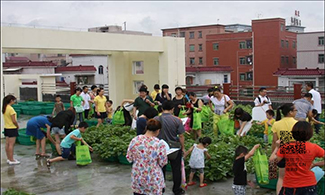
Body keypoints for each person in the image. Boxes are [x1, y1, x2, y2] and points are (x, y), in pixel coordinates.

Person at [270, 121, 324, 195]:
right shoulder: (314, 147)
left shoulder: (287, 147)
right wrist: (315, 164)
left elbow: (272, 161)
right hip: (308, 184)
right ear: (310, 133)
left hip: (290, 184)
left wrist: (277, 147)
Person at [126, 119, 167, 195]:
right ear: (158, 130)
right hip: (153, 177)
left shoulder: (135, 140)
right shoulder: (159, 143)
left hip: (138, 175)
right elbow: (163, 162)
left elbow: (129, 157)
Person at [154, 100, 186, 195]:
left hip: (160, 148)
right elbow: (181, 135)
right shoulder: (177, 120)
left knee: (160, 169)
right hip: (174, 148)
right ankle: (177, 190)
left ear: (162, 108)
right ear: (173, 109)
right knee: (176, 169)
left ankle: (161, 189)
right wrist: (183, 148)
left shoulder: (156, 119)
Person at [271, 103, 297, 195]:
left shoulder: (276, 124)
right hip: (295, 153)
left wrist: (273, 153)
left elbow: (274, 141)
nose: (296, 112)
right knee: (294, 176)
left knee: (281, 177)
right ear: (290, 112)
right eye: (295, 110)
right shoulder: (297, 124)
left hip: (281, 153)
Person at [2, 95, 20, 165]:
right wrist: (17, 126)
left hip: (6, 127)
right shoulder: (11, 109)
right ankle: (12, 159)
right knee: (11, 145)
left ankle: (9, 158)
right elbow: (14, 121)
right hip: (12, 128)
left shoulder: (5, 108)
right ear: (11, 100)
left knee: (7, 144)